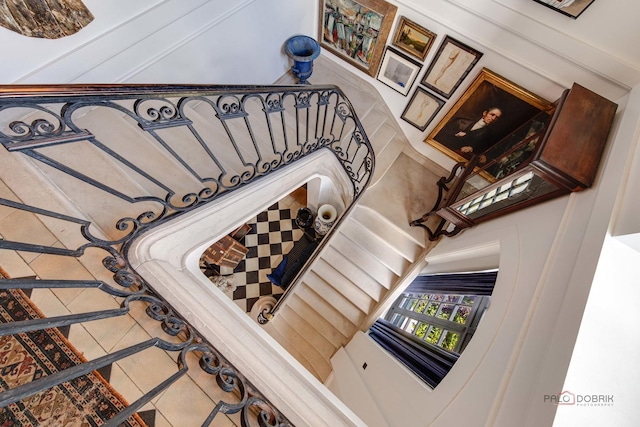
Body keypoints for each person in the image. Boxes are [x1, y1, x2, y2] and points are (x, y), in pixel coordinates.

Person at [437, 106, 503, 159]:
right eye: (492, 115)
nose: (493, 118)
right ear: (485, 113)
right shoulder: (462, 120)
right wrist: (457, 133)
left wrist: (471, 148)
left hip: (458, 155)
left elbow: (482, 148)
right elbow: (442, 131)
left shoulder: (488, 134)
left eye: (496, 117)